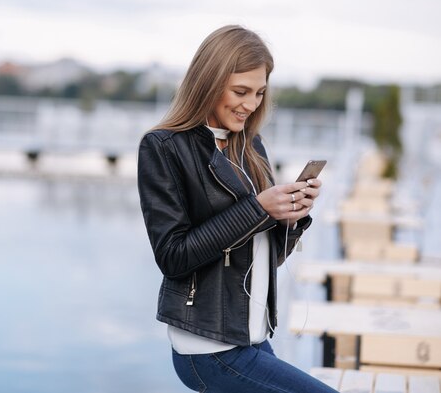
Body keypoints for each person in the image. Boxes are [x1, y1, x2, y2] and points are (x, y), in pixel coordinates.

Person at [136, 25, 337, 393]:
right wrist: (259, 207)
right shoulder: (163, 147)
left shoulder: (252, 146)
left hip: (252, 337)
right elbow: (173, 256)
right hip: (207, 347)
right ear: (208, 83)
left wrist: (294, 217)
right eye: (241, 91)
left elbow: (266, 258)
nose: (251, 104)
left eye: (259, 93)